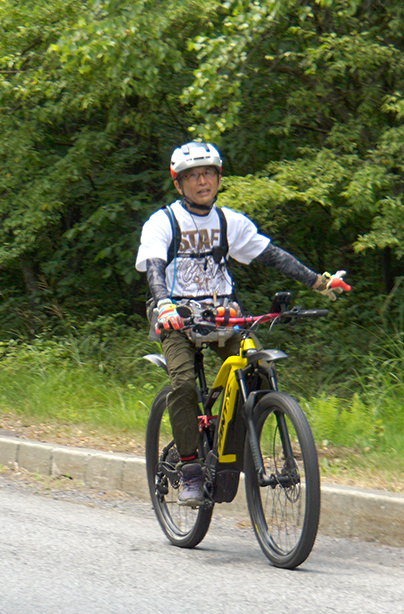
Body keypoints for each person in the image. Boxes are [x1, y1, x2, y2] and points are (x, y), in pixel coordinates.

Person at [135, 141, 349, 506]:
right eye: (192, 176)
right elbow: (154, 266)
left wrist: (318, 281)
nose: (202, 181)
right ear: (178, 183)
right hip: (177, 318)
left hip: (223, 315)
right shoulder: (163, 222)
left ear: (218, 178)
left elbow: (271, 255)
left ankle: (230, 441)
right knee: (183, 383)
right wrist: (164, 304)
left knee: (258, 368)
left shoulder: (228, 222)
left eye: (208, 173)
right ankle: (190, 467)